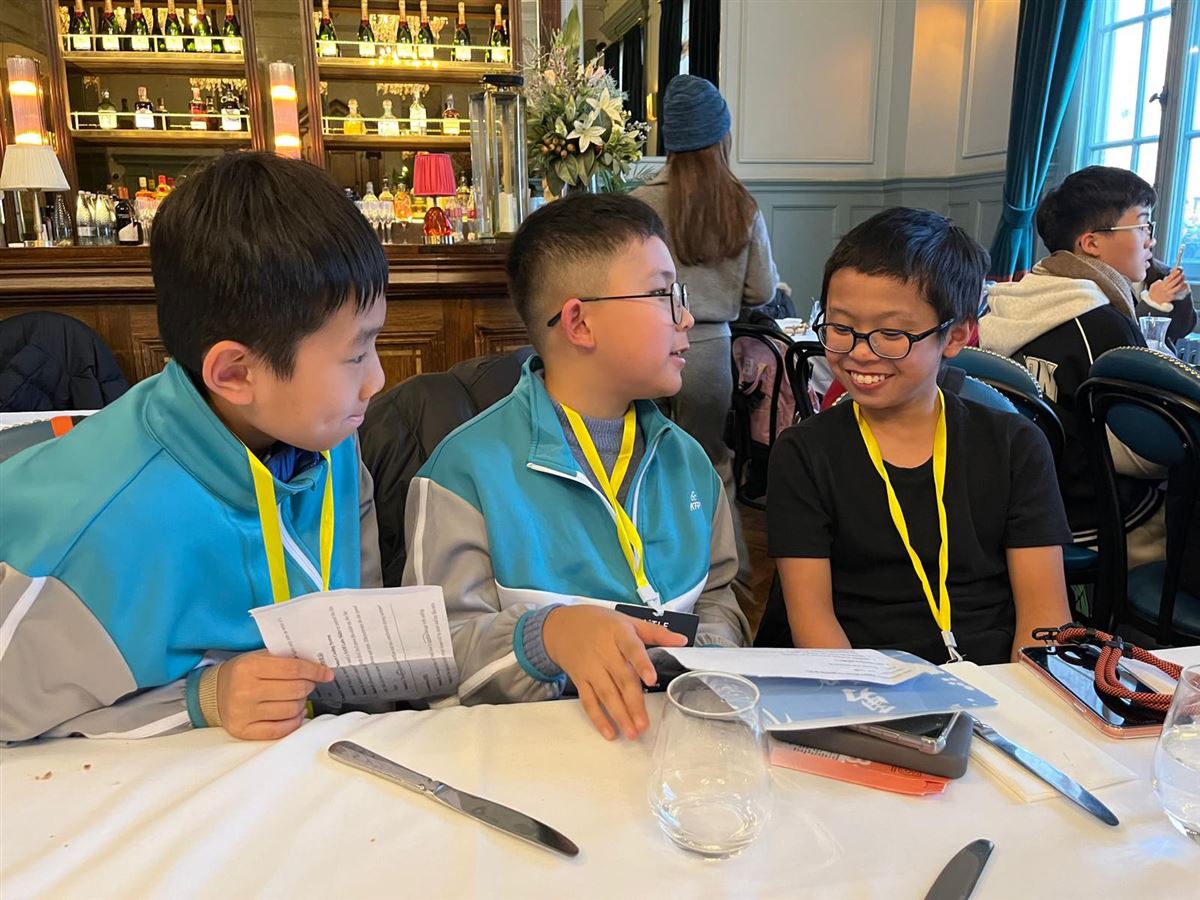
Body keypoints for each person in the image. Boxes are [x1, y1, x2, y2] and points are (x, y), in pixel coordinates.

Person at [0, 152, 388, 743]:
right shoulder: (96, 530)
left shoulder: (326, 434)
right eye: (356, 354)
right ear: (235, 373)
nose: (376, 379)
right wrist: (203, 698)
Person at [402, 193, 750, 741]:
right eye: (662, 294)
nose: (686, 317)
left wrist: (706, 658)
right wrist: (546, 638)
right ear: (579, 323)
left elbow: (718, 593)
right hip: (531, 758)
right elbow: (436, 664)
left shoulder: (689, 461)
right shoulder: (464, 474)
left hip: (672, 747)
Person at [767, 208, 1072, 665]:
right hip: (861, 680)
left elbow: (1043, 620)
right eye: (841, 327)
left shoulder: (1014, 446)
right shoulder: (805, 452)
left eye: (891, 333)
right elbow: (813, 623)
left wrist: (1018, 699)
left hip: (995, 679)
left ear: (957, 335)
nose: (860, 352)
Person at [632, 74, 778, 597]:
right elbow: (762, 290)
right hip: (711, 351)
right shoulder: (741, 205)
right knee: (713, 465)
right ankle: (729, 579)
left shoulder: (640, 204)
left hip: (647, 343)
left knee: (643, 462)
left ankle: (653, 578)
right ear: (722, 136)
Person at [978, 166, 1167, 563]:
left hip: (1021, 498)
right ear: (1091, 243)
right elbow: (1142, 452)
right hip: (1091, 517)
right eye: (1143, 225)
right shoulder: (1098, 321)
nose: (1151, 239)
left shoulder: (1013, 302)